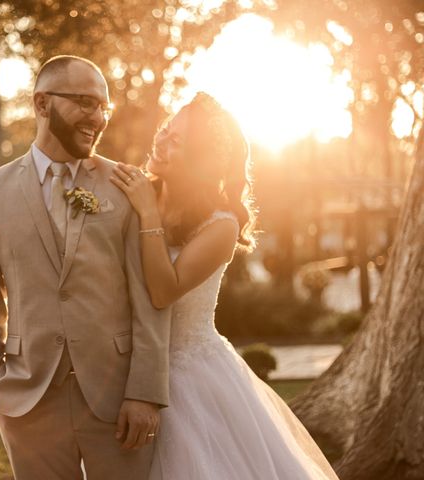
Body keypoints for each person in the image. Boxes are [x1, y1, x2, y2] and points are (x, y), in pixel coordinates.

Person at [111, 92, 340, 480]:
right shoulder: (131, 192)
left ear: (198, 159)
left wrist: (147, 212)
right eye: (165, 129)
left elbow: (164, 291)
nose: (161, 141)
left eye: (176, 140)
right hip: (122, 363)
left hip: (192, 379)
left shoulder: (220, 225)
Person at [0, 55, 171, 480]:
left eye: (103, 107)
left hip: (117, 400)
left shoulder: (127, 185)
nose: (97, 117)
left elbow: (150, 296)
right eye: (84, 102)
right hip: (28, 401)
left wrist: (145, 393)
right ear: (42, 104)